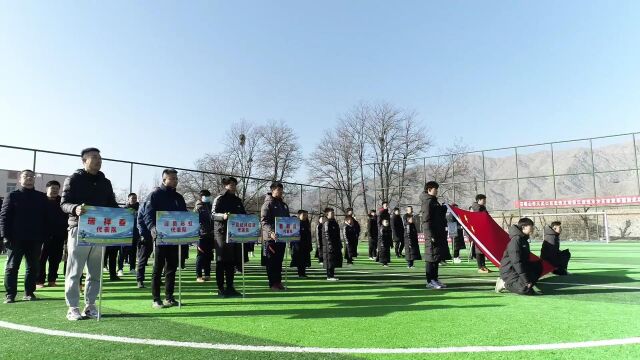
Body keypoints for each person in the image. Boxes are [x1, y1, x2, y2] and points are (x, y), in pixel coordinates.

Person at [61, 148, 119, 320]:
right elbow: (64, 203)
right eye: (94, 157)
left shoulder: (105, 182)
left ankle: (90, 305)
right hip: (79, 228)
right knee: (74, 270)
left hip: (100, 231)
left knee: (95, 272)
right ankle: (72, 307)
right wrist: (75, 208)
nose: (98, 160)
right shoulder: (73, 179)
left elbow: (112, 205)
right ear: (84, 160)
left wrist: (125, 213)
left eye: (100, 158)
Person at [1, 169, 48, 304]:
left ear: (34, 179)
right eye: (26, 176)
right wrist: (5, 236)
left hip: (35, 239)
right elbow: (4, 217)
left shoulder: (41, 197)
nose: (29, 178)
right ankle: (10, 294)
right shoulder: (12, 195)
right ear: (20, 179)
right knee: (12, 267)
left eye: (31, 176)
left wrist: (44, 236)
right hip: (15, 238)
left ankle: (29, 292)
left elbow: (46, 218)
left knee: (33, 267)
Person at [142, 169, 187, 308]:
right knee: (158, 268)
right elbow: (147, 215)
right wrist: (152, 229)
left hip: (175, 238)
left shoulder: (179, 197)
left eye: (176, 178)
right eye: (171, 178)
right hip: (160, 237)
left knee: (172, 268)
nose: (174, 180)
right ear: (164, 180)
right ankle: (156, 299)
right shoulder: (155, 195)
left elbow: (184, 216)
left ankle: (169, 297)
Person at [212, 177, 245, 297]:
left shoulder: (237, 200)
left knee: (231, 261)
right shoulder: (219, 198)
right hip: (221, 233)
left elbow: (243, 214)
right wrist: (223, 216)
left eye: (234, 185)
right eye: (231, 185)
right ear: (225, 185)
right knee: (221, 261)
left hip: (234, 233)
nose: (233, 187)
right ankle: (220, 288)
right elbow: (213, 214)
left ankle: (230, 287)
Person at [496, 218, 543, 295]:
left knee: (538, 266)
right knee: (524, 289)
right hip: (510, 271)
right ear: (524, 227)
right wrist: (526, 280)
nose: (533, 228)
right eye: (531, 226)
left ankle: (528, 286)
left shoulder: (523, 239)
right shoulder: (516, 240)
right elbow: (516, 262)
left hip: (518, 269)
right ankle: (504, 284)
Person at [260, 182, 290, 291]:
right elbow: (264, 221)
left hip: (281, 238)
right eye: (278, 190)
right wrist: (270, 232)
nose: (281, 192)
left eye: (282, 190)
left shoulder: (283, 205)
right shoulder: (267, 204)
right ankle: (272, 283)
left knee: (279, 261)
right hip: (271, 239)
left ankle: (278, 282)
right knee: (271, 262)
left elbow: (287, 221)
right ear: (273, 190)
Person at [38, 180, 68, 288]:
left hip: (58, 235)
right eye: (52, 188)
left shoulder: (61, 202)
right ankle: (39, 281)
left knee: (55, 259)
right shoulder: (40, 200)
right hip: (42, 236)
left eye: (57, 188)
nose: (55, 190)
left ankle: (52, 280)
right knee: (41, 259)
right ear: (47, 188)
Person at [421, 181, 448, 289]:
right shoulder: (427, 202)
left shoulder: (434, 201)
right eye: (435, 189)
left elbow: (438, 215)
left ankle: (435, 279)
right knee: (430, 257)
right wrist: (430, 235)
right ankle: (430, 281)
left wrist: (443, 208)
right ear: (429, 190)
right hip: (431, 234)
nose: (437, 191)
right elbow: (426, 220)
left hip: (438, 233)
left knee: (436, 257)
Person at [117, 193, 139, 277]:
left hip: (135, 233)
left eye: (135, 198)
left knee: (133, 251)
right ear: (128, 199)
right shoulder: (124, 209)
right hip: (125, 233)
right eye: (132, 198)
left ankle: (132, 268)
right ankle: (120, 269)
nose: (134, 199)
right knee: (122, 252)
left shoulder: (139, 208)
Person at [195, 190, 213, 283]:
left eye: (209, 196)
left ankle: (207, 274)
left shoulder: (210, 206)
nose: (208, 197)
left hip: (210, 234)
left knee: (209, 256)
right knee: (201, 256)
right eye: (207, 196)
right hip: (201, 235)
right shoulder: (198, 207)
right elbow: (195, 222)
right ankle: (198, 276)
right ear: (201, 197)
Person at [135, 195, 154, 289]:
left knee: (160, 259)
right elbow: (140, 221)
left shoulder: (159, 204)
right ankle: (140, 280)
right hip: (146, 235)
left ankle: (157, 279)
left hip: (160, 234)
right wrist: (142, 234)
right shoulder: (144, 205)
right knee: (143, 258)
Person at [470, 194, 491, 273]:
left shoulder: (482, 207)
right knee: (479, 249)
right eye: (483, 200)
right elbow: (478, 219)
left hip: (483, 230)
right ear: (479, 200)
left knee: (483, 249)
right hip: (478, 231)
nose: (485, 201)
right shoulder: (476, 208)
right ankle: (480, 267)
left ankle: (483, 266)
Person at [322, 208, 343, 280]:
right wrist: (330, 244)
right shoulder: (326, 223)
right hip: (329, 245)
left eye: (333, 213)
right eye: (331, 213)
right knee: (329, 260)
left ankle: (332, 275)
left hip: (335, 244)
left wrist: (339, 243)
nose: (333, 214)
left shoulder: (334, 222)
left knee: (333, 260)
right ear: (327, 214)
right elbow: (327, 234)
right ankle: (329, 276)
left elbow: (337, 234)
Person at [290, 210, 312, 278]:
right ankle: (300, 273)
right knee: (300, 260)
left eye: (306, 215)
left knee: (305, 260)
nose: (305, 216)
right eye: (304, 215)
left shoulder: (307, 223)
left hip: (306, 245)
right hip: (298, 245)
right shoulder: (296, 224)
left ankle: (303, 273)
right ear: (299, 215)